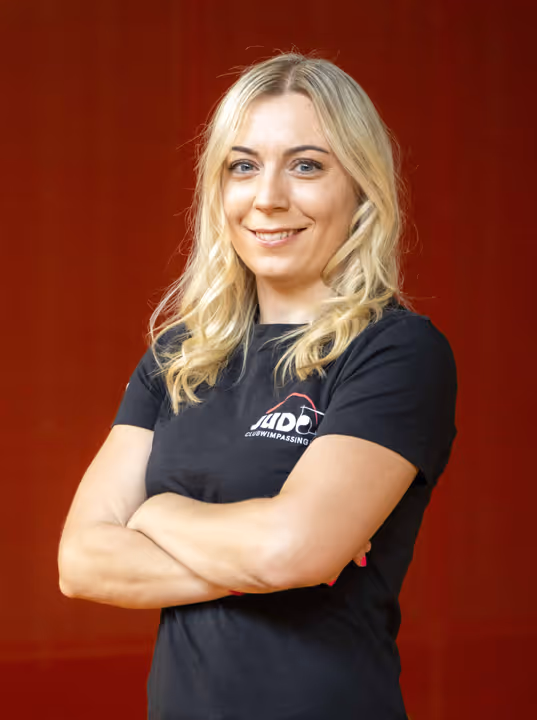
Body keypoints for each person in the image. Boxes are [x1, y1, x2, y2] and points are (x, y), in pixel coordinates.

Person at [58, 51, 458, 720]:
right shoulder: (178, 357)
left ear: (360, 187)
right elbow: (81, 563)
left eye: (306, 166)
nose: (267, 197)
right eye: (242, 166)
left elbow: (290, 550)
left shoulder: (395, 352)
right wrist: (272, 558)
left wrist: (157, 514)